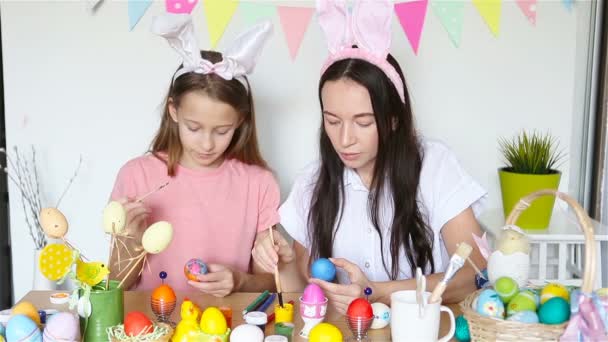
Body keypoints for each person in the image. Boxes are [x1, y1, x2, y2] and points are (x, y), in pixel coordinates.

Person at [252, 0, 487, 314]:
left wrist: (378, 292)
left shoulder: (434, 165)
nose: (345, 139)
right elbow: (304, 295)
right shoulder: (312, 181)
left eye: (363, 122)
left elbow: (476, 273)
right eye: (332, 121)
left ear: (393, 119)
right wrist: (287, 263)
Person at [109, 14, 278, 296]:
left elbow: (272, 282)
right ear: (173, 111)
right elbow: (115, 287)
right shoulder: (136, 176)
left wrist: (240, 281)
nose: (207, 144)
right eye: (194, 127)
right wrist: (129, 242)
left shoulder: (259, 183)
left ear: (240, 121)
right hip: (154, 330)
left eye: (222, 130)